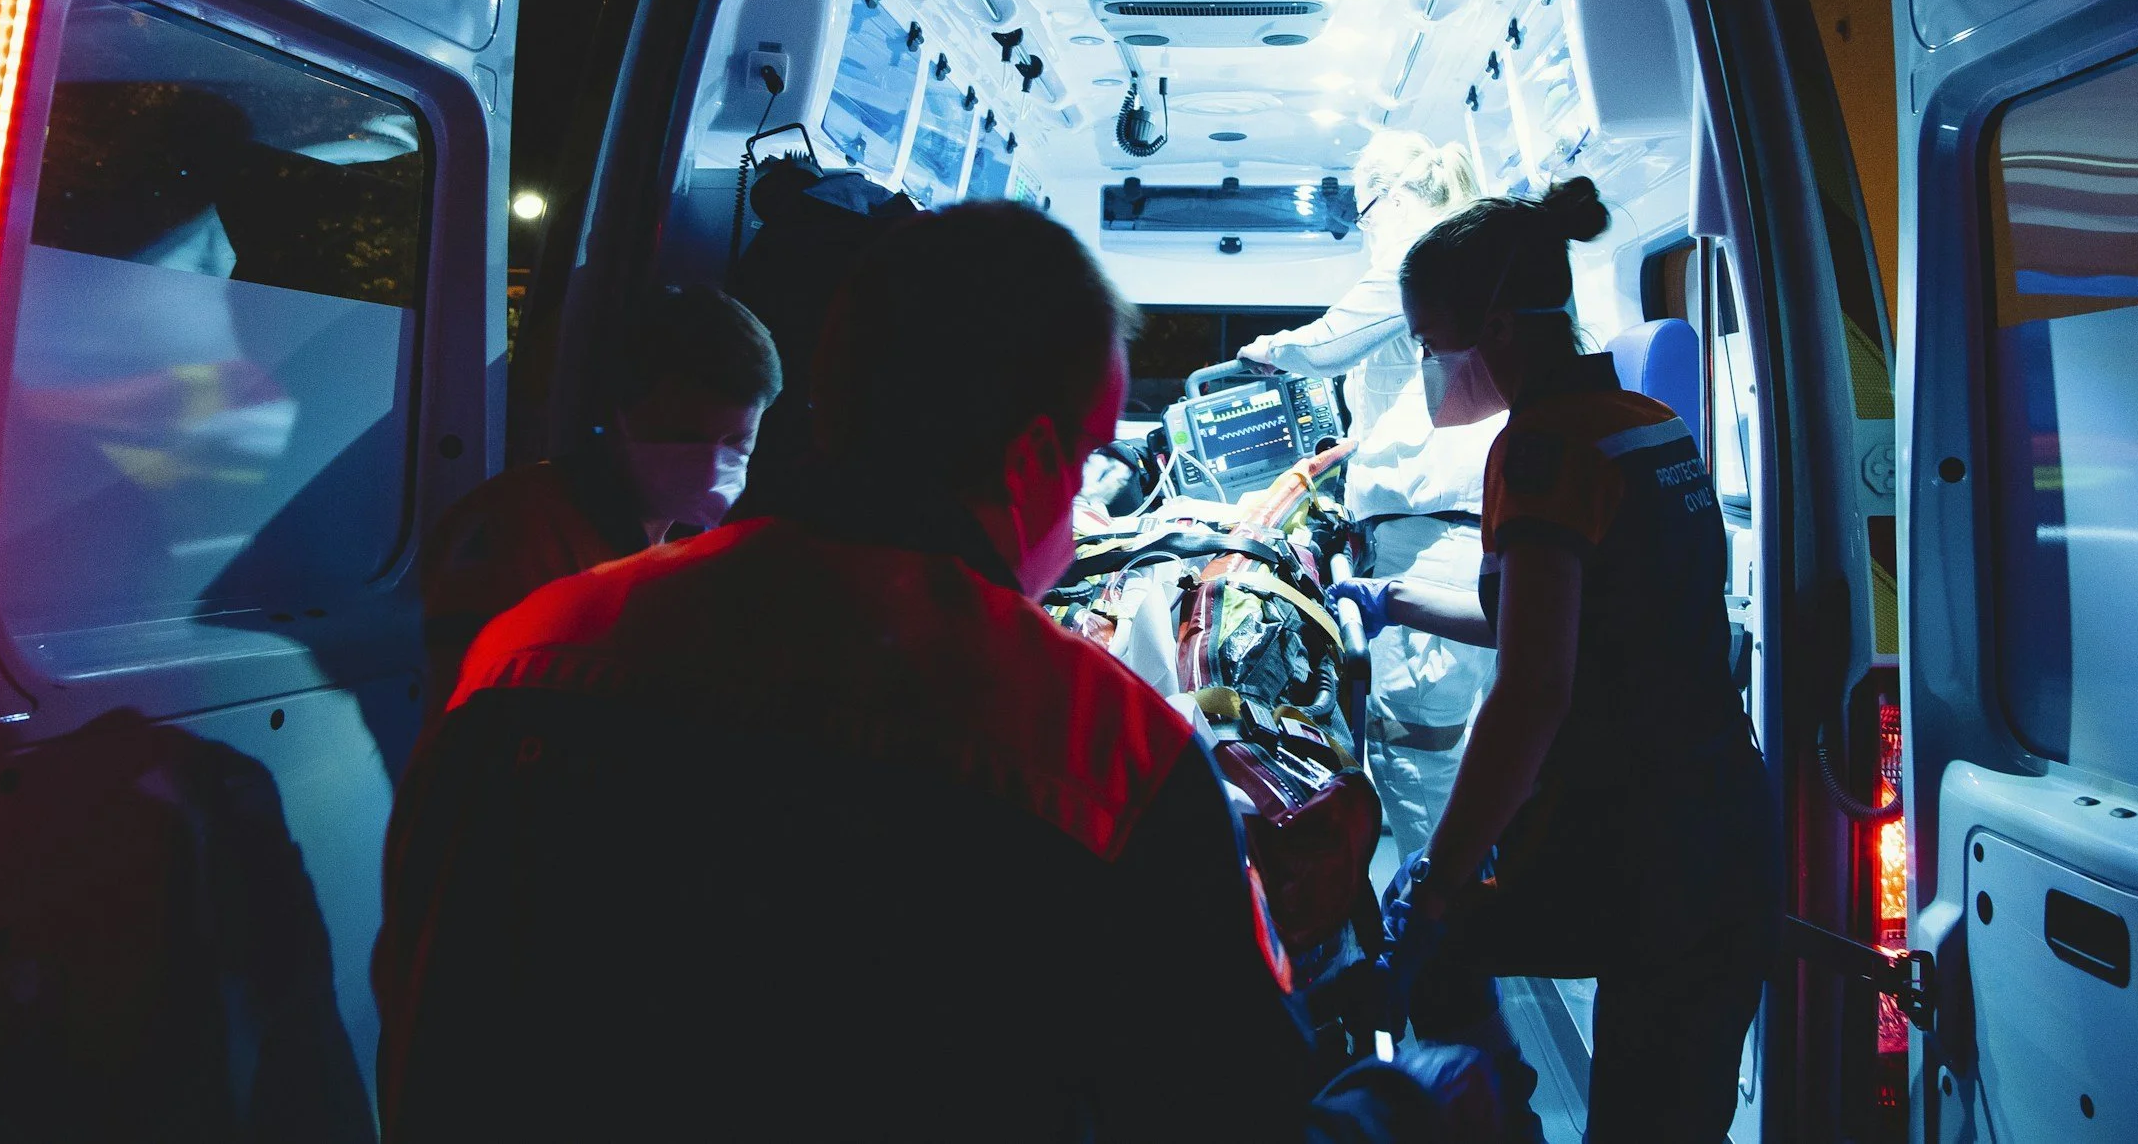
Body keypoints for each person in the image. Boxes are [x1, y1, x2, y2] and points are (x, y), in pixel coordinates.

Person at [374, 203, 1498, 1143]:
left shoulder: (527, 645)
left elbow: (422, 1016)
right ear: (1031, 464)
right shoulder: (1108, 749)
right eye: (1094, 452)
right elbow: (1228, 1113)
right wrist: (1400, 1101)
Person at [1369, 180, 1777, 1140]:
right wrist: (1390, 602)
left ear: (1497, 325)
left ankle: (1493, 1117)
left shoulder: (1540, 451)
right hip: (1724, 831)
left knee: (1433, 933)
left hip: (1646, 857)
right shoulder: (1648, 425)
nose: (1431, 367)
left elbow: (1534, 688)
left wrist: (1436, 881)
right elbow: (1573, 622)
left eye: (1431, 345)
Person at [1237, 131, 1498, 860]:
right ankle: (1462, 917)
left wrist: (1262, 350)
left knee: (1416, 759)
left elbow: (1325, 344)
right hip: (1454, 532)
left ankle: (1438, 930)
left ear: (1389, 197)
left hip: (1431, 542)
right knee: (1454, 756)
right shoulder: (1462, 256)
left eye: (1364, 210)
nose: (1364, 227)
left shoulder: (1419, 256)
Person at [416, 284, 780, 717]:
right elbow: (480, 724)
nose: (710, 467)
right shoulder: (518, 530)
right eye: (686, 438)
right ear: (622, 414)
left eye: (737, 441)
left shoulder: (691, 546)